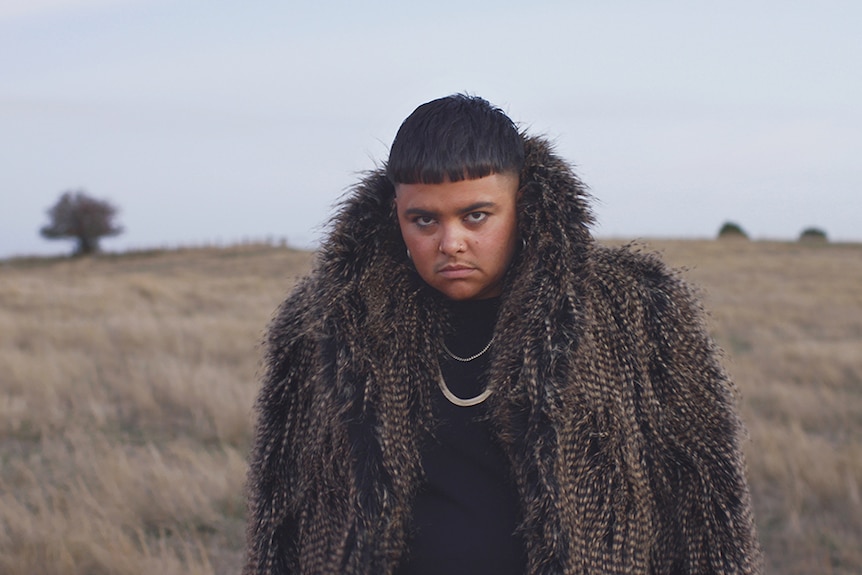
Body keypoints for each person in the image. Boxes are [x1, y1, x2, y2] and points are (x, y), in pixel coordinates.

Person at [243, 94, 762, 574]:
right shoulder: (329, 324)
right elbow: (281, 513)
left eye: (476, 216)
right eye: (423, 220)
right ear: (394, 216)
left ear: (524, 204)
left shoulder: (637, 313)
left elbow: (704, 505)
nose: (451, 243)